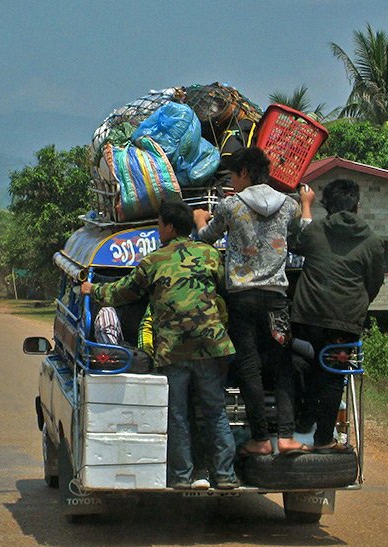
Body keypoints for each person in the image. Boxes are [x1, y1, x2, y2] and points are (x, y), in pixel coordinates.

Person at [82, 200, 239, 490]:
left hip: (174, 350)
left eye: (158, 224)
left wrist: (94, 289)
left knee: (177, 414)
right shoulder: (210, 254)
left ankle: (181, 477)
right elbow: (226, 287)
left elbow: (122, 292)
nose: (158, 229)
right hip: (212, 346)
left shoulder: (154, 261)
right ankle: (226, 476)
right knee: (216, 411)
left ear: (167, 226)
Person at [193, 147, 308, 456]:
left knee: (249, 366)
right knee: (282, 365)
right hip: (276, 298)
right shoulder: (289, 205)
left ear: (244, 173)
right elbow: (300, 235)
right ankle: (285, 437)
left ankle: (259, 439)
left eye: (233, 175)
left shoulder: (230, 206)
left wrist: (199, 218)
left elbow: (206, 236)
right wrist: (306, 206)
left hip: (242, 298)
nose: (232, 182)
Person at [292, 178, 384, 453]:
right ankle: (323, 439)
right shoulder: (372, 241)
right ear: (357, 205)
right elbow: (375, 282)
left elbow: (297, 242)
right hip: (346, 320)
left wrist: (304, 207)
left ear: (327, 206)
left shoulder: (316, 231)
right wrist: (358, 304)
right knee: (334, 375)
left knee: (302, 363)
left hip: (307, 318)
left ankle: (303, 420)